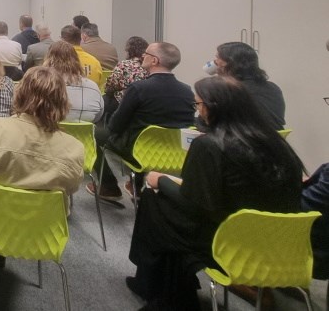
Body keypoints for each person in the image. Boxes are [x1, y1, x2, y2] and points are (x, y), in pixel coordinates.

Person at [126, 76, 303, 310]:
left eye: (198, 105)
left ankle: (160, 289)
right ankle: (154, 284)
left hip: (224, 242)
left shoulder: (210, 145)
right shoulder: (278, 144)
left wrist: (162, 180)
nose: (197, 113)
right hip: (279, 246)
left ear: (214, 108)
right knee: (165, 202)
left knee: (154, 200)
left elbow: (195, 204)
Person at [0, 66, 84, 207]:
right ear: (62, 102)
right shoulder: (75, 148)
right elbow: (71, 188)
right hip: (46, 225)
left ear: (20, 93)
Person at [89, 42, 194, 200]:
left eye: (147, 53)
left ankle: (108, 186)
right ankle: (135, 186)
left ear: (155, 61)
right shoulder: (187, 91)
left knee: (95, 134)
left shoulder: (139, 88)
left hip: (137, 150)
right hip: (175, 154)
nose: (142, 56)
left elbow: (115, 125)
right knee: (144, 135)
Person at [213, 41, 285, 130]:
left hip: (244, 140)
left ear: (228, 63)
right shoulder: (274, 87)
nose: (215, 62)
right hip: (275, 141)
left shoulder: (227, 90)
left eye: (217, 58)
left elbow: (210, 122)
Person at [44, 41, 104, 123]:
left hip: (50, 132)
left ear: (49, 60)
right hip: (83, 134)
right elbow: (98, 115)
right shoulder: (93, 87)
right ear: (76, 60)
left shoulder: (43, 86)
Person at [104, 36, 149, 120]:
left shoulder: (124, 64)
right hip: (144, 103)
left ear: (129, 50)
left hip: (123, 102)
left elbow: (111, 84)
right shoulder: (148, 66)